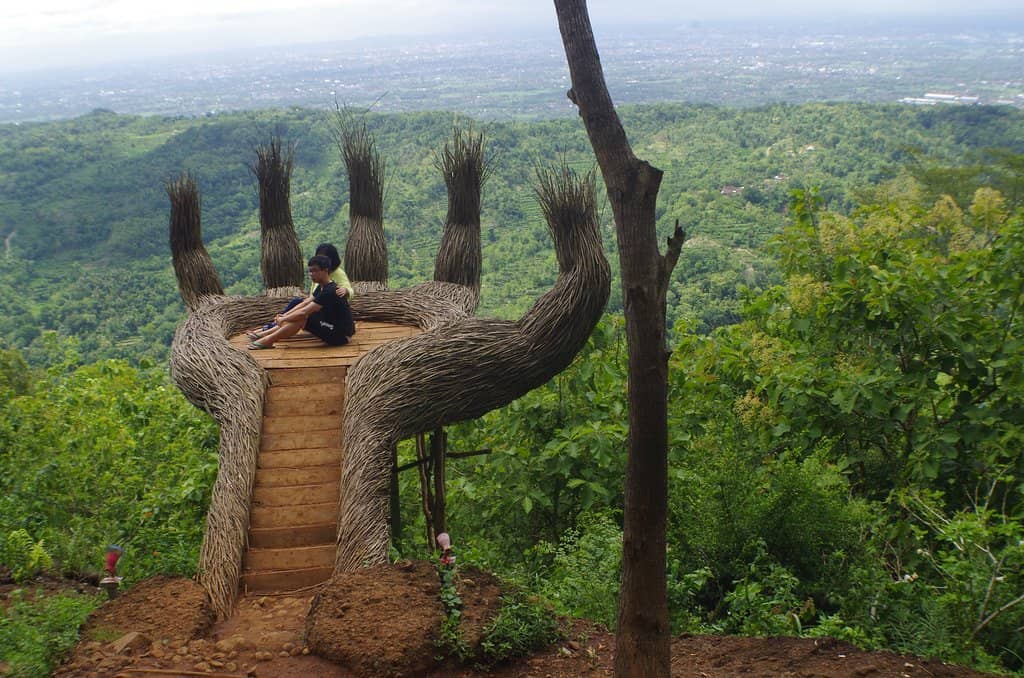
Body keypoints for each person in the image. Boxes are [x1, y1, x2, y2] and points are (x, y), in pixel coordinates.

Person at [248, 255, 355, 349]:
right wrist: (284, 315)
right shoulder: (321, 287)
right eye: (310, 271)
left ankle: (268, 340)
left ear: (325, 271)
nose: (311, 274)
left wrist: (283, 319)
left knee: (303, 318)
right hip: (330, 325)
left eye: (315, 270)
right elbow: (304, 304)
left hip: (341, 335)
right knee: (298, 311)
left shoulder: (330, 291)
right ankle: (265, 336)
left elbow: (304, 312)